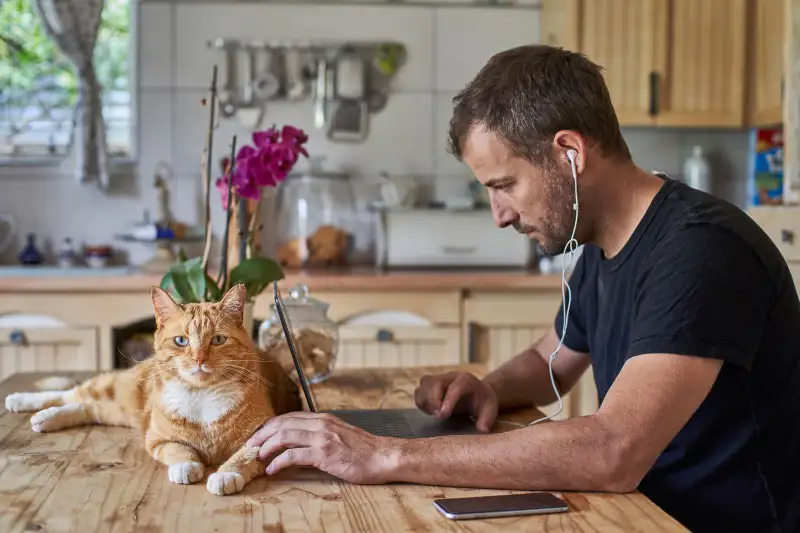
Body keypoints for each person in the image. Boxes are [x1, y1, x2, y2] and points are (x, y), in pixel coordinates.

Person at [247, 45, 800, 533]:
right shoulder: (601, 246)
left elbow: (615, 451)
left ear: (570, 152)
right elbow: (551, 359)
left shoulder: (702, 250)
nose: (499, 215)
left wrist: (384, 455)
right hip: (640, 513)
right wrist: (489, 388)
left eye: (504, 185)